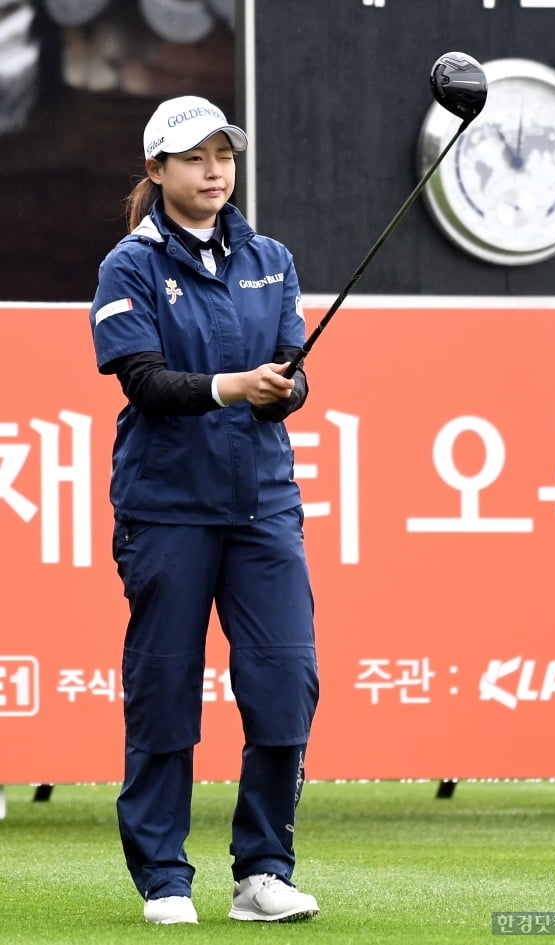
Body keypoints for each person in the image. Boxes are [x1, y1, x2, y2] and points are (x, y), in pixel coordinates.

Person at [89, 95, 320, 925]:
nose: (214, 170)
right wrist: (234, 386)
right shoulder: (131, 266)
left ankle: (262, 870)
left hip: (262, 504)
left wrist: (282, 390)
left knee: (285, 681)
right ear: (157, 171)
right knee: (164, 687)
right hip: (167, 506)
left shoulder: (270, 257)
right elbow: (145, 382)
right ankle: (164, 876)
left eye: (223, 154)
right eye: (193, 157)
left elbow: (287, 378)